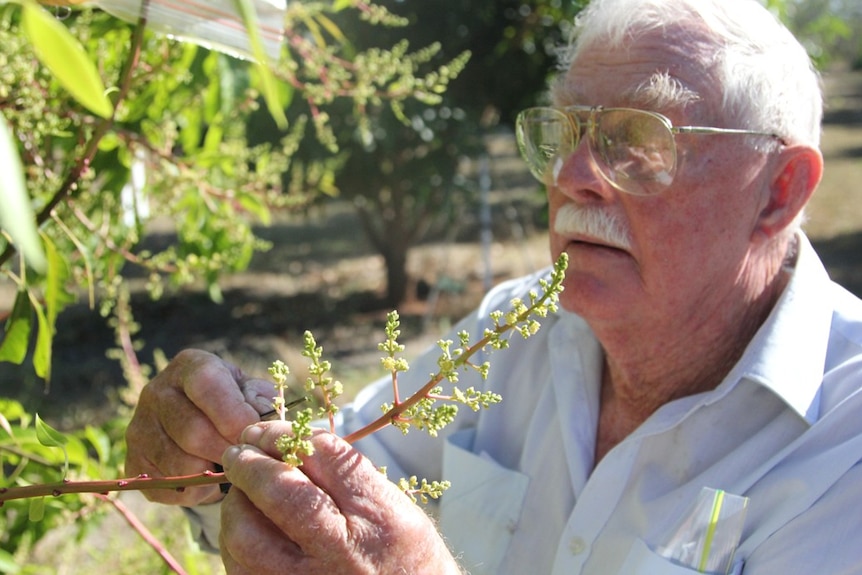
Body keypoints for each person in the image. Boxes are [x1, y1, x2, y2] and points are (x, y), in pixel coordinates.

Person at [124, 0, 862, 572]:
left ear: (779, 191)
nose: (572, 177)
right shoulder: (518, 326)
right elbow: (344, 476)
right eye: (565, 131)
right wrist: (216, 455)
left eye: (636, 142)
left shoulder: (844, 448)